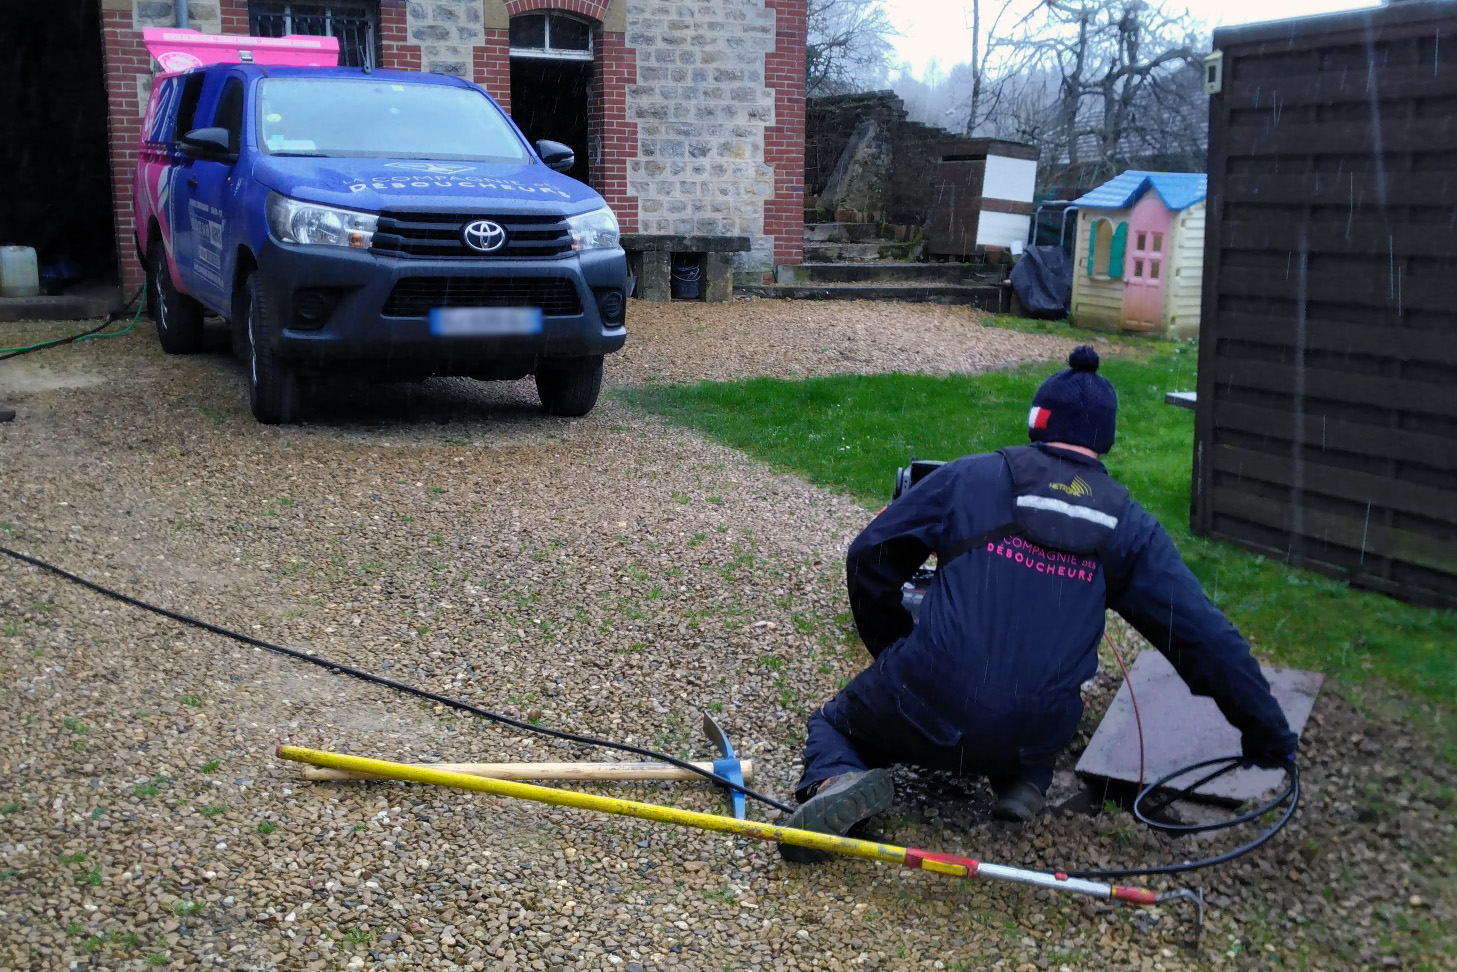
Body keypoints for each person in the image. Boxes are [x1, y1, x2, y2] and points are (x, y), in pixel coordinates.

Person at [779, 346, 1297, 863]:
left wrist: (894, 647)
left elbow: (871, 554)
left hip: (925, 699)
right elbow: (1204, 638)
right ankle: (1023, 782)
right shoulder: (1129, 527)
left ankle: (835, 777)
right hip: (1034, 728)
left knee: (834, 724)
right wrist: (1268, 733)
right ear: (1105, 439)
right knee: (1046, 705)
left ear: (1037, 422)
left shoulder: (972, 476)